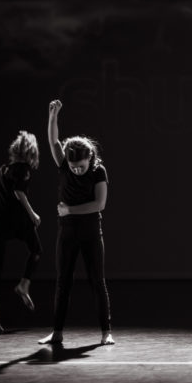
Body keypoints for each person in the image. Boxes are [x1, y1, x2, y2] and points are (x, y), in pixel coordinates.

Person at [39, 99, 114, 346]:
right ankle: (57, 332)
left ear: (89, 158)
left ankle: (106, 332)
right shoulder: (64, 165)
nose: (77, 171)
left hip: (91, 232)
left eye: (80, 167)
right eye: (73, 167)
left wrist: (70, 209)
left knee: (97, 282)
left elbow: (99, 204)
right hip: (68, 233)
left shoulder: (99, 171)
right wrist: (53, 117)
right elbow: (53, 142)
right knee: (63, 283)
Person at [0, 131, 42, 333]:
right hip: (17, 220)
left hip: (0, 221)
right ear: (31, 152)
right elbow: (19, 192)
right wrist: (33, 214)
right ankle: (23, 285)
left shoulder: (2, 170)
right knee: (36, 251)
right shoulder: (23, 169)